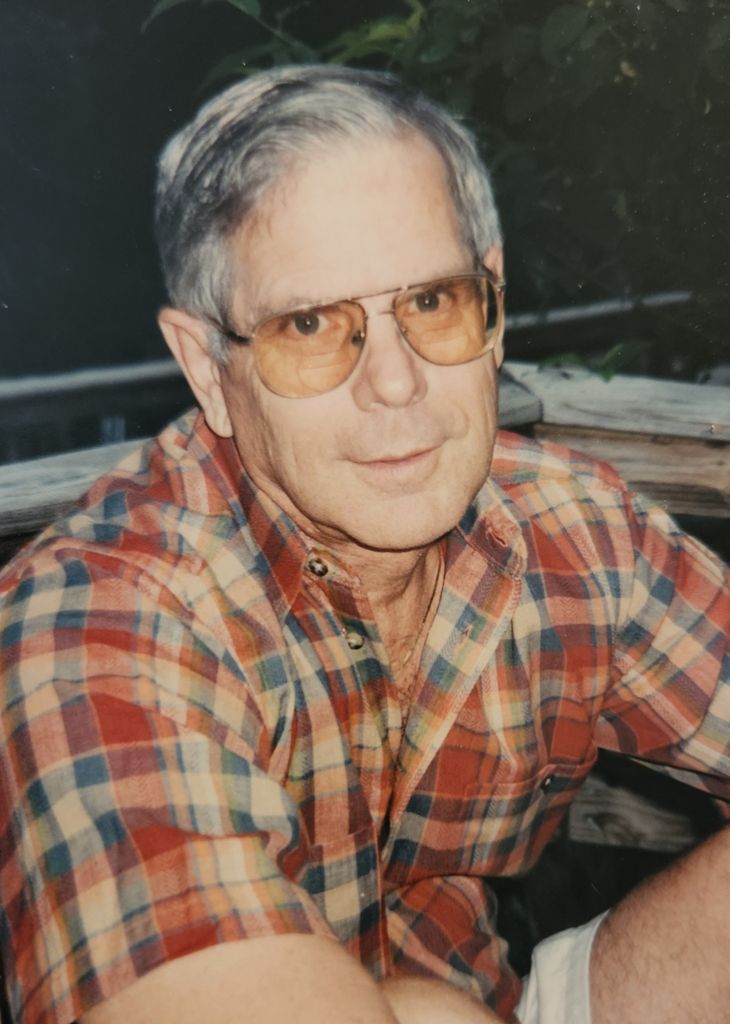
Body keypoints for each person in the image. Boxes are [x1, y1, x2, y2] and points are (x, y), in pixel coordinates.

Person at [0, 65, 728, 1024]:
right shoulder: (94, 620)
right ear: (207, 367)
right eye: (310, 324)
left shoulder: (575, 529)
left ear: (493, 305)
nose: (396, 383)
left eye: (432, 303)